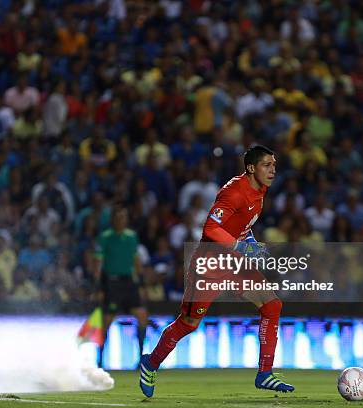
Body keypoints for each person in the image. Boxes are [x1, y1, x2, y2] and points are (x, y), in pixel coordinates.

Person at [139, 145, 294, 397]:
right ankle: (151, 362)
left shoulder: (260, 189)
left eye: (274, 164)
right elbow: (211, 228)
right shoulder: (234, 192)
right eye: (267, 164)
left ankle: (265, 374)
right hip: (210, 265)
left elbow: (240, 224)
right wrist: (241, 247)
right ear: (251, 168)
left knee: (272, 304)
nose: (273, 169)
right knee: (189, 323)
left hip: (234, 263)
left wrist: (250, 243)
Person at [94, 206, 149, 368]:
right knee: (106, 320)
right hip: (111, 282)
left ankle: (140, 358)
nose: (121, 220)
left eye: (123, 217)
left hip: (128, 282)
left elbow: (136, 261)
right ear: (113, 220)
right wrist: (99, 287)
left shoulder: (131, 237)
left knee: (142, 315)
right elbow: (98, 263)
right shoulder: (105, 237)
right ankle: (100, 360)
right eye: (118, 217)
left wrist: (141, 284)